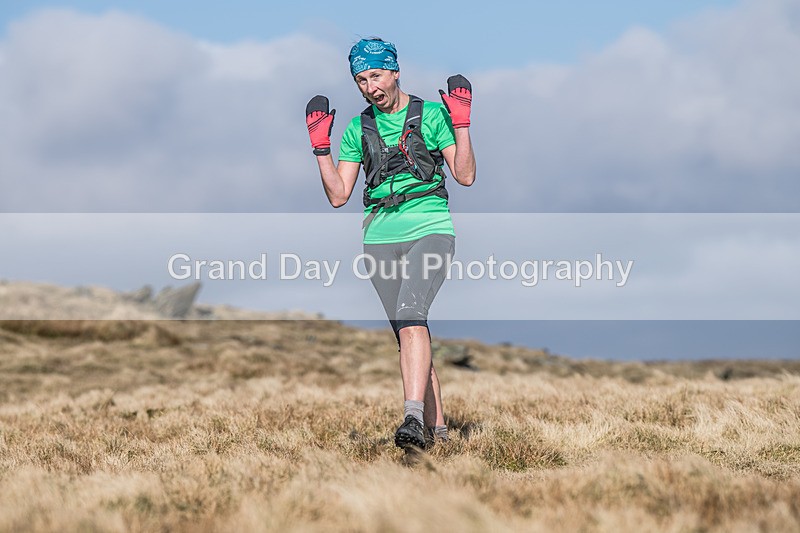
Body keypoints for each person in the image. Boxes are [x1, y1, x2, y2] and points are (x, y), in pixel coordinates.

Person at [305, 38, 476, 451]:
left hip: (430, 227)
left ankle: (412, 419)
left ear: (396, 71)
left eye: (376, 76)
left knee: (411, 313)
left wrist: (461, 124)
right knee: (409, 332)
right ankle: (437, 438)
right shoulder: (355, 128)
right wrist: (321, 149)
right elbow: (338, 195)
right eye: (361, 80)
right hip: (379, 238)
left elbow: (466, 175)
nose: (369, 87)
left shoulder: (433, 115)